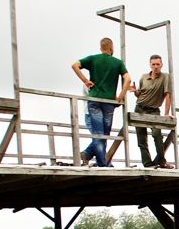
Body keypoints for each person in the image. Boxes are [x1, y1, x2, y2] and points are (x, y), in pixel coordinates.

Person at [71, 38, 131, 167]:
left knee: (99, 134)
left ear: (101, 48)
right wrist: (120, 97)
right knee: (104, 135)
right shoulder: (117, 63)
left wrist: (85, 80)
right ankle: (102, 163)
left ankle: (94, 158)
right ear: (111, 47)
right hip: (109, 102)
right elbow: (128, 79)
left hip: (94, 100)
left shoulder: (93, 59)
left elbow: (74, 65)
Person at [132, 54, 173, 169]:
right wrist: (135, 91)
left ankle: (162, 161)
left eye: (157, 64)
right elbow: (139, 94)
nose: (155, 67)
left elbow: (167, 95)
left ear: (161, 65)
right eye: (153, 64)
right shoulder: (144, 77)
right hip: (140, 108)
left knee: (156, 134)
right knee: (141, 138)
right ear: (150, 65)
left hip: (154, 110)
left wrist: (166, 114)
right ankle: (147, 163)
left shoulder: (165, 77)